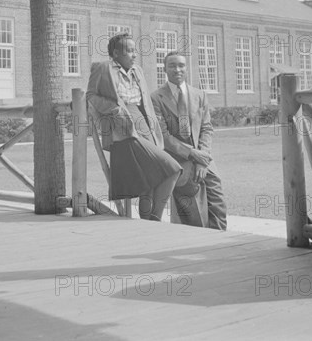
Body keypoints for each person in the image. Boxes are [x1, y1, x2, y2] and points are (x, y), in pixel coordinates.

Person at [86, 34, 182, 221]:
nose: (134, 55)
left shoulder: (137, 70)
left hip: (144, 123)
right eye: (129, 51)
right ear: (115, 53)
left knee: (151, 176)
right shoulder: (103, 68)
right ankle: (155, 218)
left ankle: (150, 221)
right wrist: (114, 110)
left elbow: (144, 102)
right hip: (123, 129)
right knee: (173, 168)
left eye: (134, 50)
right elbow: (91, 96)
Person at [151, 51, 227, 230]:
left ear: (187, 68)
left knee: (218, 202)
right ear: (165, 69)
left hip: (203, 158)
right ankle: (196, 240)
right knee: (191, 207)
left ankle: (220, 239)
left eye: (181, 65)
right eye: (172, 66)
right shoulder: (156, 98)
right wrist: (192, 154)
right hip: (178, 160)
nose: (177, 69)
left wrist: (202, 158)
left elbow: (207, 128)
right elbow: (163, 135)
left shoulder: (199, 95)